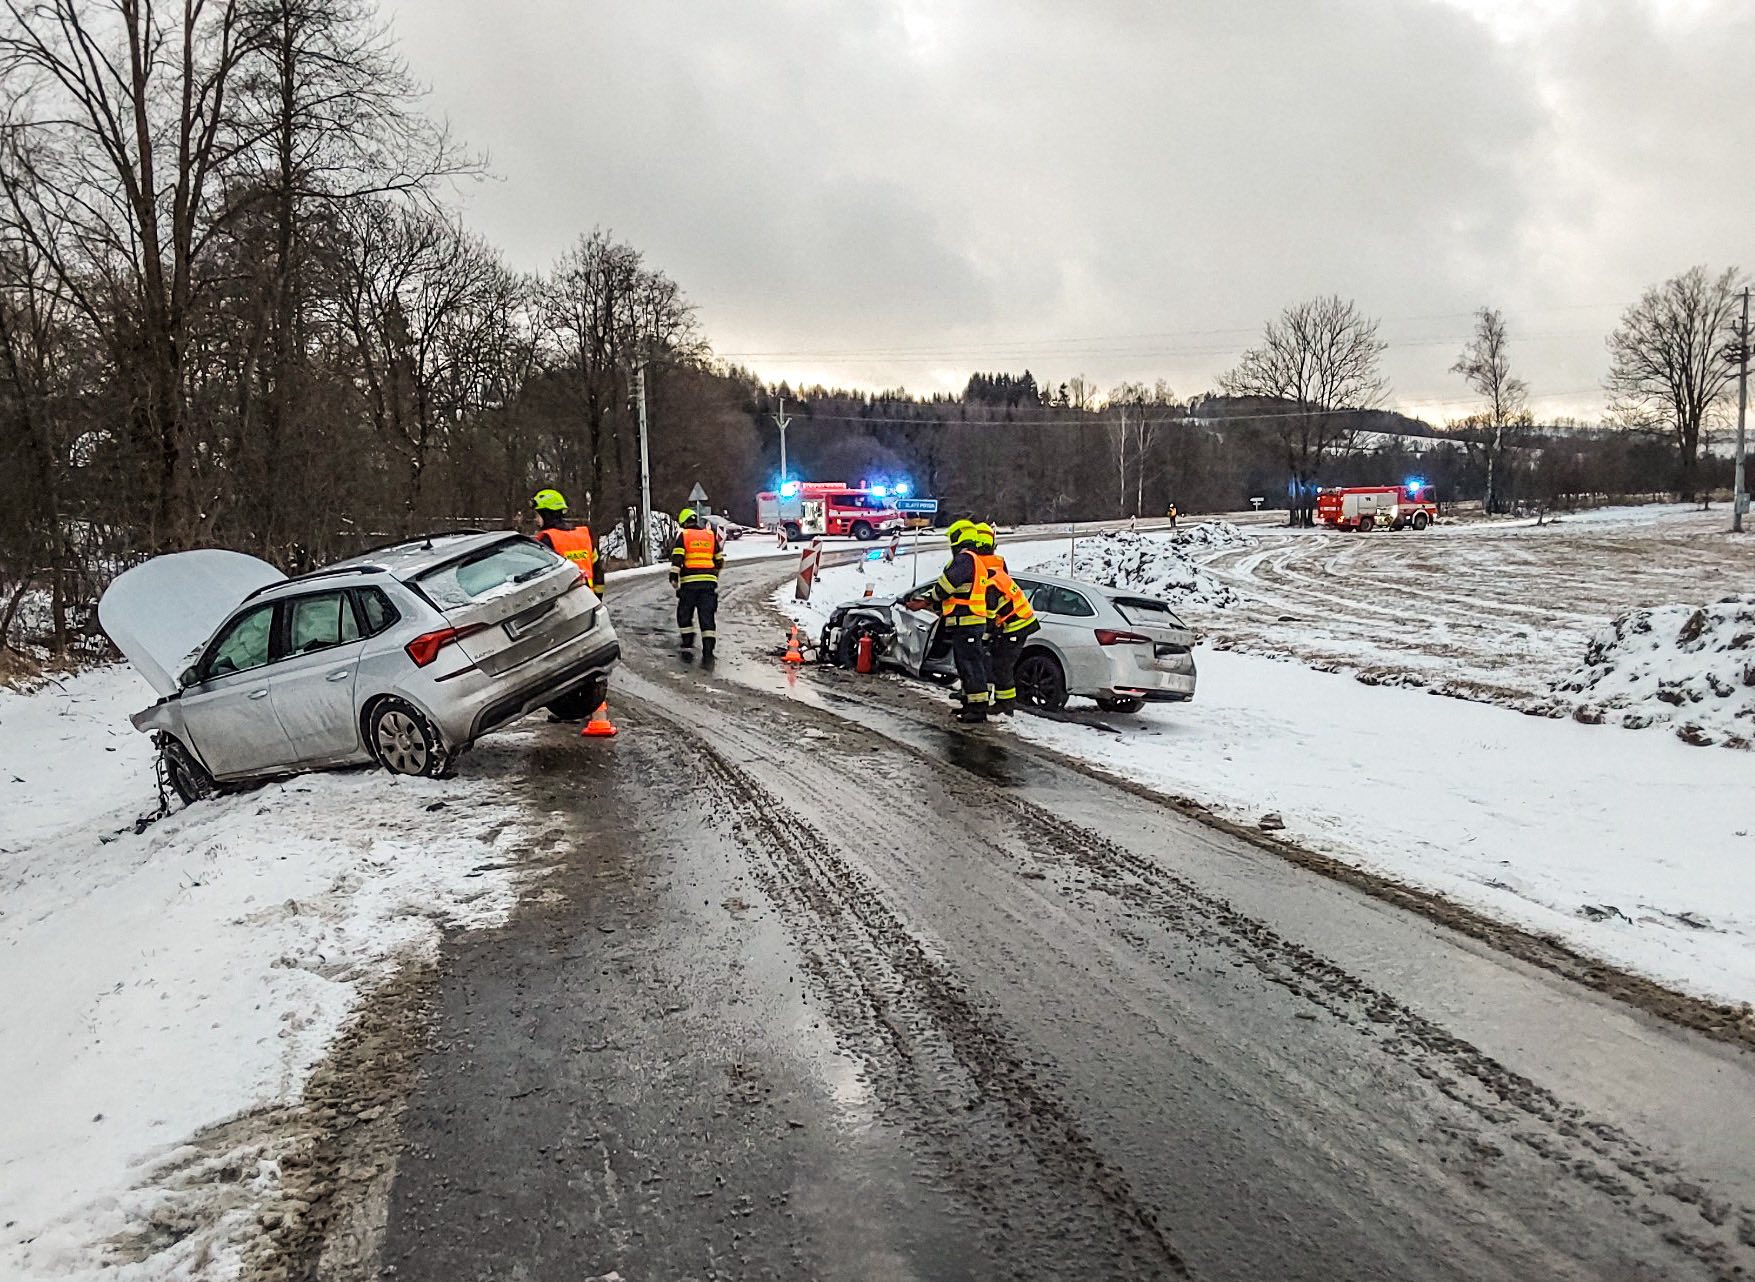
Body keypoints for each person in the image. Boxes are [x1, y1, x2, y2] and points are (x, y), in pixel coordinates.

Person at [911, 519, 992, 723]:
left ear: (958, 538)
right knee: (966, 665)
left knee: (971, 665)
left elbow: (946, 585)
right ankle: (970, 703)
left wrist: (926, 600)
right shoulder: (973, 560)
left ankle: (977, 709)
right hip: (966, 622)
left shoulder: (965, 560)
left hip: (967, 622)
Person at [972, 522, 1040, 717]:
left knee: (1002, 666)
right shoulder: (996, 569)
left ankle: (1006, 704)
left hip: (1016, 625)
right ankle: (1002, 702)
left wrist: (984, 635)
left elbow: (990, 613)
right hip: (1016, 624)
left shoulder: (988, 579)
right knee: (998, 663)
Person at [669, 506, 725, 661]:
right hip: (708, 584)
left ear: (684, 523)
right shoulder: (710, 535)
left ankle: (687, 642)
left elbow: (677, 559)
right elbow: (719, 560)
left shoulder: (684, 536)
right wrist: (713, 574)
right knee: (707, 616)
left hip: (689, 584)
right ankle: (708, 649)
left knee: (685, 613)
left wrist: (673, 577)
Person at [530, 488, 605, 595]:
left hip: (564, 600)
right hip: (588, 598)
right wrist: (597, 597)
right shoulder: (583, 535)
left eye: (537, 515)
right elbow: (598, 571)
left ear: (547, 514)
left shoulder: (546, 539)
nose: (535, 519)